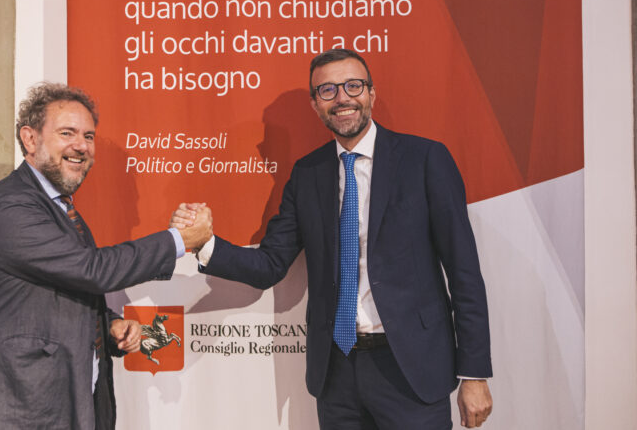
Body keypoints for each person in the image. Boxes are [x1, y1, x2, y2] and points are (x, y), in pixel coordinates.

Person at [173, 49, 493, 429]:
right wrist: (205, 243)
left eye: (352, 86)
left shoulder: (425, 159)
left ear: (371, 93)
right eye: (327, 90)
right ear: (316, 104)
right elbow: (270, 264)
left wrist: (474, 373)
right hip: (337, 373)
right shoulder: (307, 174)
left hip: (412, 369)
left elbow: (463, 271)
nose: (342, 98)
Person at [0, 83, 212, 430]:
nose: (81, 146)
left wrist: (109, 324)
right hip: (12, 409)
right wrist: (178, 240)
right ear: (30, 139)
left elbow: (61, 287)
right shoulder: (8, 207)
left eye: (88, 136)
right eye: (67, 133)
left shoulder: (59, 208)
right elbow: (91, 270)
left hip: (58, 405)